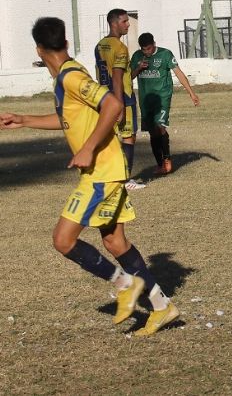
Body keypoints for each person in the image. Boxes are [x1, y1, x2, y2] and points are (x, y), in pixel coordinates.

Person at [0, 17, 180, 335]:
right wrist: (24, 119)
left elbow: (113, 106)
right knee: (115, 241)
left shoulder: (71, 77)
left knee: (63, 240)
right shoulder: (68, 76)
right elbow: (69, 119)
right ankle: (161, 306)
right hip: (106, 169)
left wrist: (87, 148)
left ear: (39, 50)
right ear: (66, 43)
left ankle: (125, 284)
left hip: (101, 172)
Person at [131, 33, 200, 175]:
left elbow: (178, 73)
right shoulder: (137, 56)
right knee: (152, 131)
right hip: (145, 99)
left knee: (160, 126)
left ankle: (167, 159)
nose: (147, 52)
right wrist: (138, 68)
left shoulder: (165, 54)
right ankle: (160, 164)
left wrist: (191, 93)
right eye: (144, 49)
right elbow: (128, 76)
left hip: (162, 97)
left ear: (154, 44)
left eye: (149, 48)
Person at [95, 8, 145, 190]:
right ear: (114, 23)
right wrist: (121, 106)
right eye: (124, 21)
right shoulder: (120, 48)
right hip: (123, 98)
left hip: (103, 99)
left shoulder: (100, 45)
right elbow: (117, 78)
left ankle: (107, 177)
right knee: (128, 137)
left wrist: (136, 70)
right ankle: (125, 180)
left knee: (109, 138)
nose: (128, 24)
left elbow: (111, 74)